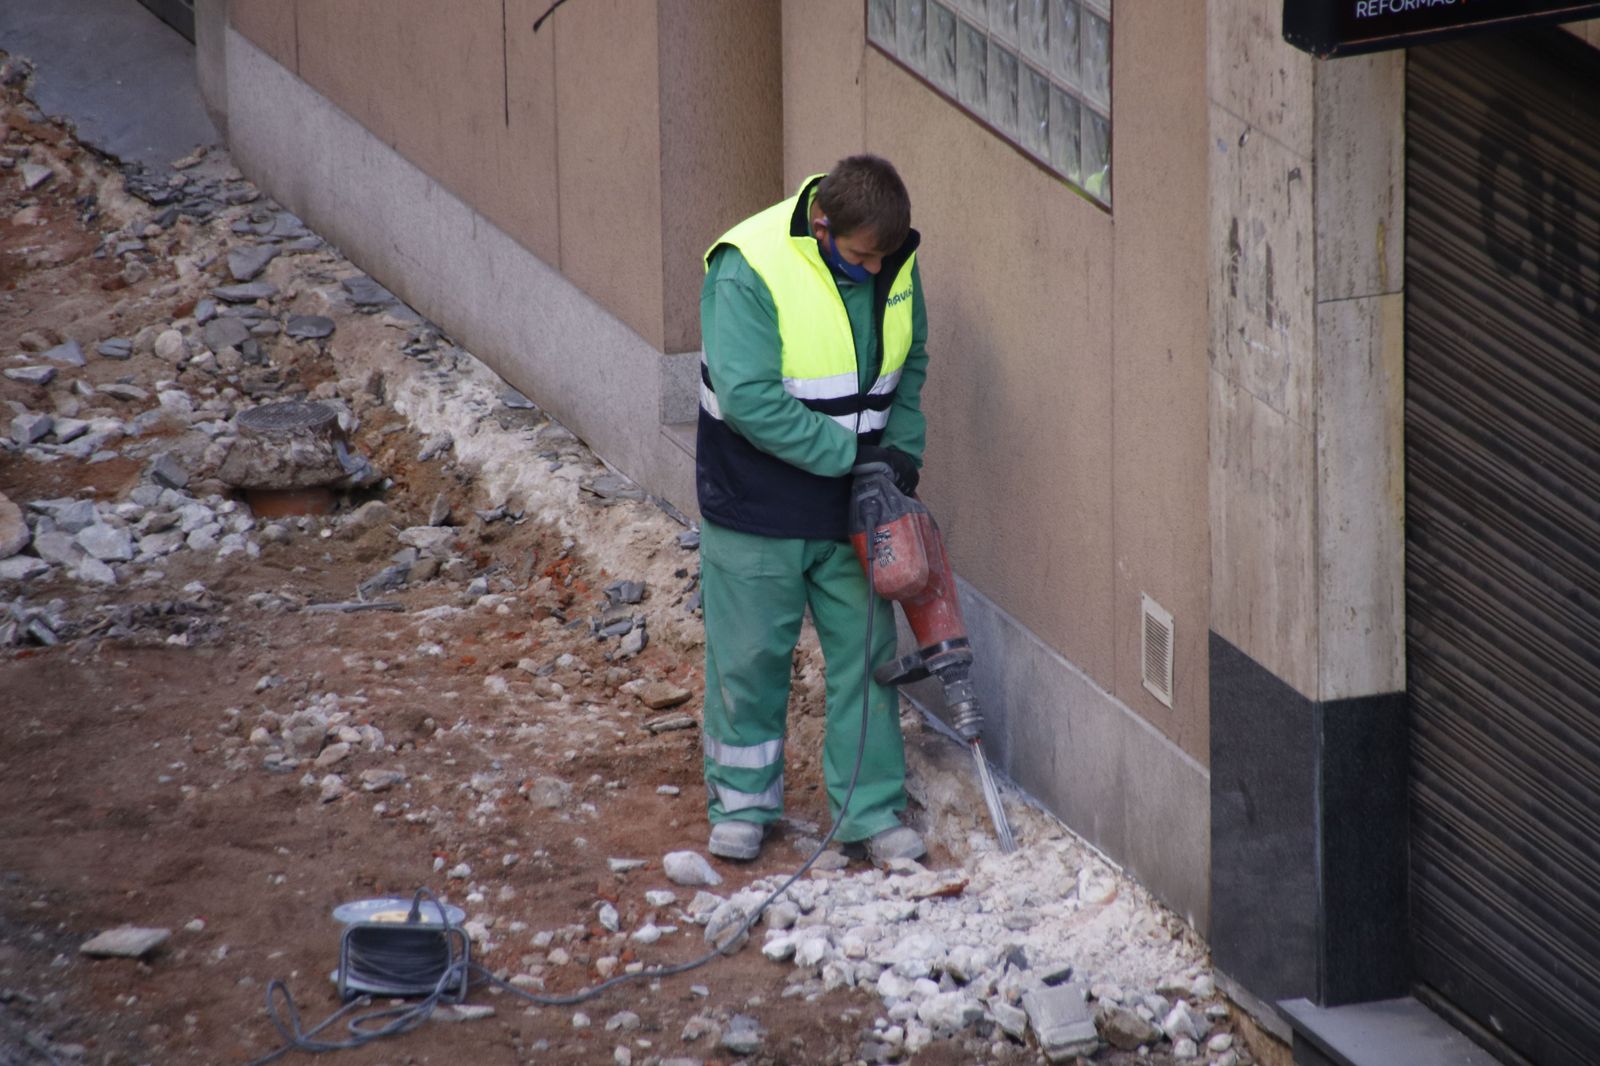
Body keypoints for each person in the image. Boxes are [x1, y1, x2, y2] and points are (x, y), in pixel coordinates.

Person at [695, 154, 930, 865]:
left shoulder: (892, 259)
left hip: (854, 505)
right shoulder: (748, 267)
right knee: (749, 660)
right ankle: (742, 807)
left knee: (867, 657)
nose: (874, 269)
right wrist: (852, 456)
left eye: (884, 256)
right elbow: (748, 400)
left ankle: (869, 812)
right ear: (822, 225)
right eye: (861, 257)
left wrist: (901, 452)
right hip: (755, 500)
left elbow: (911, 364)